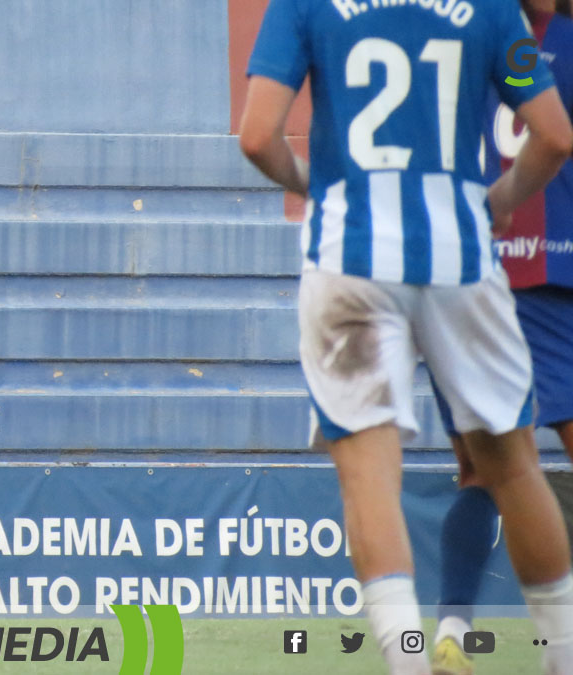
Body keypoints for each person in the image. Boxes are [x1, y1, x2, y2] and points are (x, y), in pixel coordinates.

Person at [239, 1, 573, 672]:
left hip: (350, 259)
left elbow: (256, 137)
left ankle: (408, 660)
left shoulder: (304, 4)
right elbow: (555, 136)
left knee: (369, 476)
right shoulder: (487, 8)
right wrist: (502, 201)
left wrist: (312, 183)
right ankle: (561, 656)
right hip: (459, 259)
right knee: (511, 466)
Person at [432, 1, 573, 672]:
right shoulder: (540, 39)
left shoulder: (459, 36)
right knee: (486, 471)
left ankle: (453, 626)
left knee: (482, 473)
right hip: (544, 271)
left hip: (467, 273)